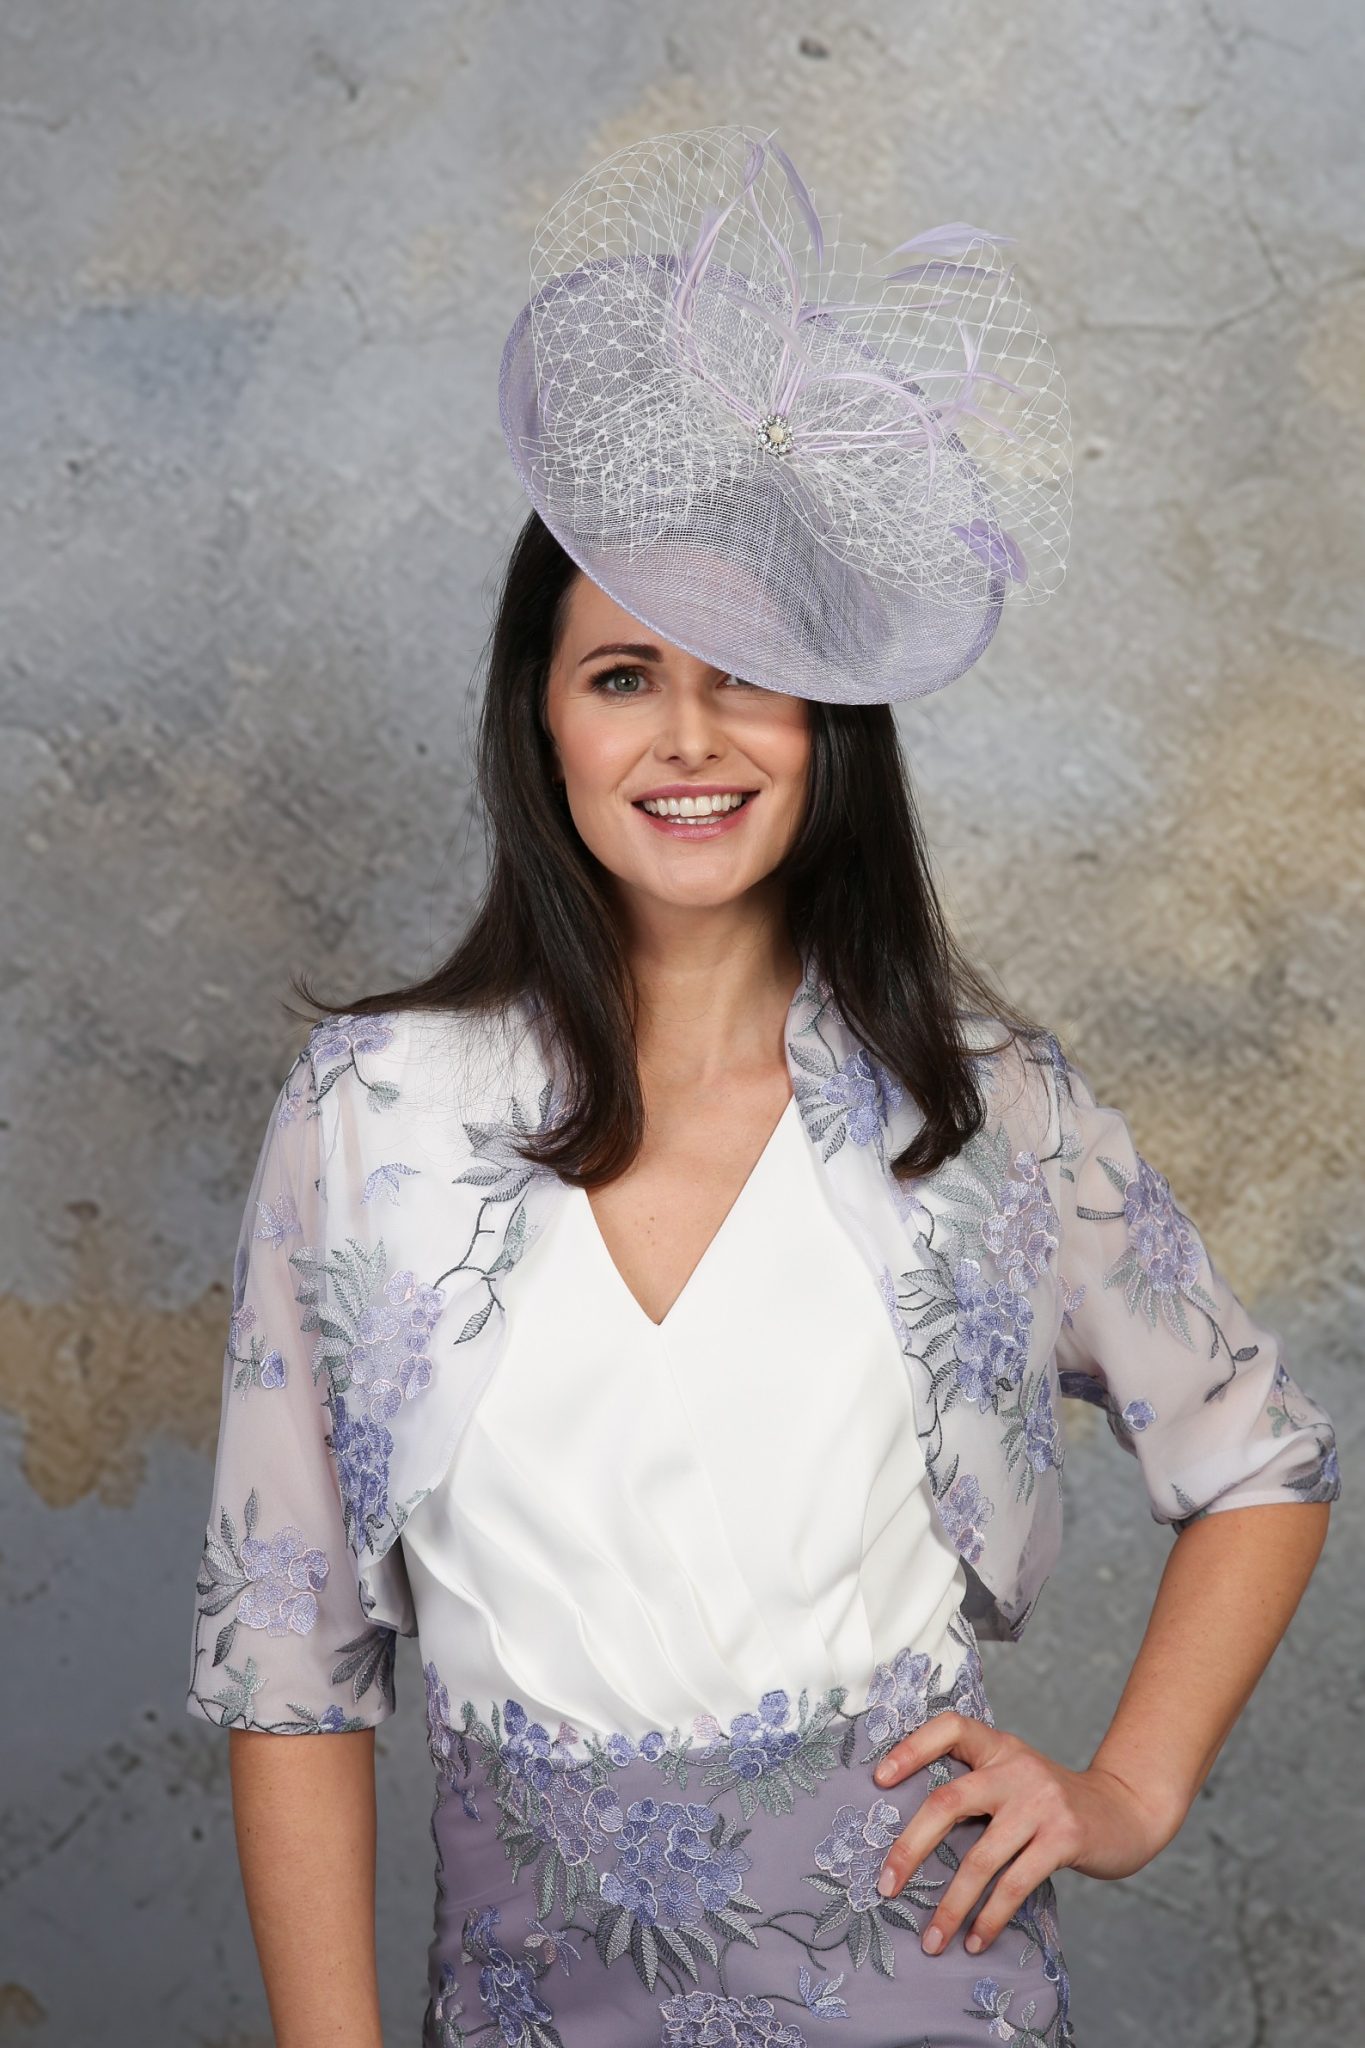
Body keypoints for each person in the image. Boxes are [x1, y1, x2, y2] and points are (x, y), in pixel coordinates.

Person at [185, 128, 1339, 2048]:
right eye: (622, 675)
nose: (690, 734)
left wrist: (1126, 1792)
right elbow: (288, 1656)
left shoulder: (983, 1110)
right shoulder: (370, 1114)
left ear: (831, 723)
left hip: (929, 1996)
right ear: (541, 720)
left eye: (746, 672)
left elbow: (1259, 1459)